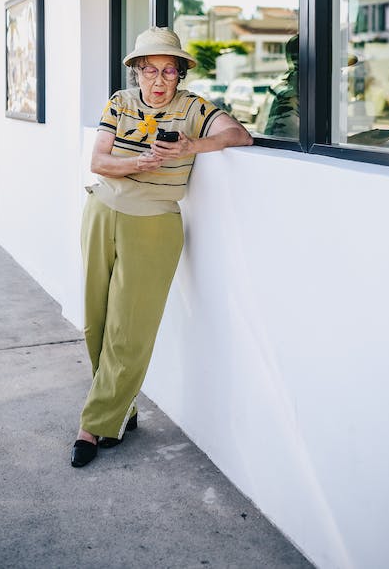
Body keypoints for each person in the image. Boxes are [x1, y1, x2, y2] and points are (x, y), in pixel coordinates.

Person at [71, 26, 253, 467]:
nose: (158, 80)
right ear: (136, 72)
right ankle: (119, 409)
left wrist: (193, 145)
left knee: (127, 330)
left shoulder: (192, 108)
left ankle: (92, 425)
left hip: (153, 224)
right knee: (96, 320)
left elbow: (240, 135)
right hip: (101, 212)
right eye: (148, 70)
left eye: (168, 71)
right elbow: (98, 160)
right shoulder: (120, 102)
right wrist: (141, 161)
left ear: (179, 75)